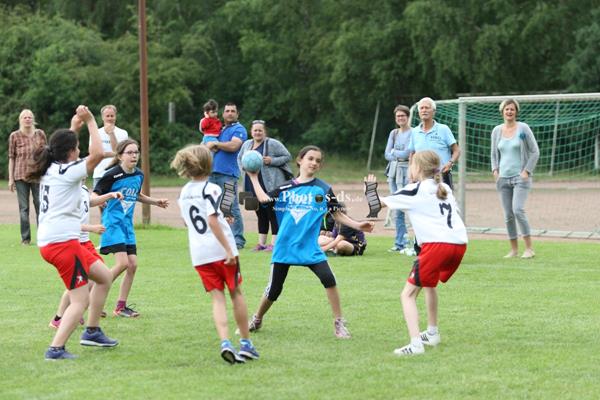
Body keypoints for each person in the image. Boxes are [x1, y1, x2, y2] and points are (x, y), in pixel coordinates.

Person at [245, 145, 374, 339]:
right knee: (274, 290)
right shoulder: (285, 188)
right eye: (310, 158)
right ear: (300, 160)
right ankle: (257, 318)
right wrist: (253, 177)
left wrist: (358, 225)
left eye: (318, 161)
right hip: (286, 246)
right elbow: (263, 199)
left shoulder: (323, 189)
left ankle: (339, 323)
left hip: (309, 247)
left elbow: (337, 214)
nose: (314, 163)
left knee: (329, 279)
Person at [29, 106, 118, 360]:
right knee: (79, 300)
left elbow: (62, 147)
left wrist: (73, 127)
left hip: (57, 241)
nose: (79, 151)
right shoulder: (67, 172)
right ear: (70, 152)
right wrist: (90, 120)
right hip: (62, 244)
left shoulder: (51, 167)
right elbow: (98, 154)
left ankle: (92, 331)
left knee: (104, 276)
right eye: (77, 147)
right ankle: (55, 349)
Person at [371, 150, 468, 356]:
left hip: (437, 245)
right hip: (459, 244)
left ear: (417, 168)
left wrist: (370, 190)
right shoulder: (444, 187)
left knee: (407, 295)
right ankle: (432, 333)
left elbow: (377, 204)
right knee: (429, 285)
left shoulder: (415, 190)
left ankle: (415, 345)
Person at [171, 144, 259, 364]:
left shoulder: (184, 192)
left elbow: (188, 222)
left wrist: (218, 217)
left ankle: (225, 342)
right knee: (236, 293)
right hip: (220, 250)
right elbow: (211, 220)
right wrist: (229, 249)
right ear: (208, 164)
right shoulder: (211, 188)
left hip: (199, 254)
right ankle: (246, 344)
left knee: (217, 298)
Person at [93, 139, 169, 318]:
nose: (134, 155)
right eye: (130, 152)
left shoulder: (139, 175)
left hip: (127, 226)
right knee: (122, 263)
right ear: (120, 156)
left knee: (132, 265)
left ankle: (121, 307)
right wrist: (105, 198)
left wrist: (155, 202)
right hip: (113, 224)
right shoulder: (112, 175)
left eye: (136, 152)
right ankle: (93, 296)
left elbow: (137, 195)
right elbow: (94, 195)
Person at [49, 182, 123, 329]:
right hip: (75, 242)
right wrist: (91, 228)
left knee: (97, 277)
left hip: (85, 242)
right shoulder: (68, 190)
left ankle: (79, 311)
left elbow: (90, 202)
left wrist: (109, 195)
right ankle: (60, 318)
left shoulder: (81, 187)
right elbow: (64, 223)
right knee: (81, 282)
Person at [491, 99, 539, 259]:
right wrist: (495, 170)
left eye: (512, 109)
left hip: (520, 178)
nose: (509, 112)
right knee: (508, 215)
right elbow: (493, 154)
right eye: (507, 109)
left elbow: (535, 151)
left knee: (518, 210)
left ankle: (529, 249)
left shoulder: (523, 128)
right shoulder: (496, 131)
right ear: (502, 112)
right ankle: (514, 250)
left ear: (516, 111)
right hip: (503, 179)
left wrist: (526, 171)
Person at [237, 120, 292, 251]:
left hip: (270, 185)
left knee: (272, 213)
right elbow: (239, 158)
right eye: (255, 130)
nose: (257, 132)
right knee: (260, 214)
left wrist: (272, 161)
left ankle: (274, 244)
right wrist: (244, 168)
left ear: (264, 132)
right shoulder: (246, 144)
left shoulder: (273, 143)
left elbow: (287, 156)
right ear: (251, 132)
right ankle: (261, 244)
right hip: (251, 184)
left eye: (260, 130)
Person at [206, 102, 247, 249]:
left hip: (228, 174)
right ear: (223, 114)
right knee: (212, 207)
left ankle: (237, 240)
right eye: (227, 111)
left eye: (232, 111)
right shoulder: (219, 129)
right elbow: (206, 145)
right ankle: (217, 238)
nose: (230, 113)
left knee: (229, 206)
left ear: (237, 114)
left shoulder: (239, 129)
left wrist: (216, 144)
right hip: (212, 174)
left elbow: (234, 146)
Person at [8, 109, 47, 245]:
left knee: (40, 206)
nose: (27, 119)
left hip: (37, 175)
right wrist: (11, 178)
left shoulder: (40, 134)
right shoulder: (14, 136)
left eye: (30, 117)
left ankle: (42, 237)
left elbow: (46, 154)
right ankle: (25, 238)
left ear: (33, 119)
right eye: (25, 117)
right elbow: (11, 158)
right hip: (20, 176)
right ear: (20, 120)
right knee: (24, 208)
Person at [408, 97, 460, 189]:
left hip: (441, 175)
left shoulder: (443, 129)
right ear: (419, 112)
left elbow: (457, 150)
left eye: (427, 108)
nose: (424, 110)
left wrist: (450, 163)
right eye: (422, 108)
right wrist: (411, 172)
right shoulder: (414, 132)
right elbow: (412, 154)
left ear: (434, 112)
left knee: (444, 198)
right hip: (421, 176)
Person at [384, 105, 412, 254]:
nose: (400, 118)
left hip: (407, 171)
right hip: (393, 172)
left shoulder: (413, 133)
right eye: (398, 116)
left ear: (408, 117)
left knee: (409, 205)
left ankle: (415, 241)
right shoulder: (393, 133)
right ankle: (400, 242)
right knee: (396, 208)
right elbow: (386, 154)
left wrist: (395, 152)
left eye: (403, 116)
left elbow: (408, 153)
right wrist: (396, 153)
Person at [92, 105, 129, 190]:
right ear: (102, 117)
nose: (110, 118)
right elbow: (95, 153)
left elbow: (119, 152)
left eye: (112, 116)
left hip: (118, 174)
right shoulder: (95, 133)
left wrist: (111, 133)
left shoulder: (123, 133)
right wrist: (116, 154)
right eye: (107, 116)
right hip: (99, 174)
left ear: (115, 117)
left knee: (118, 198)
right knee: (98, 198)